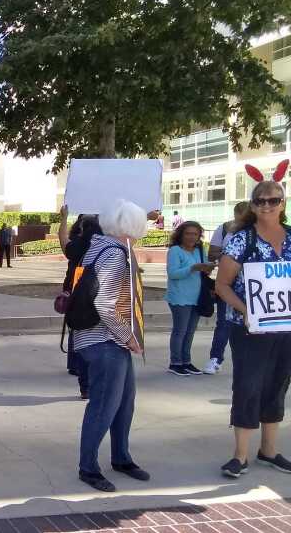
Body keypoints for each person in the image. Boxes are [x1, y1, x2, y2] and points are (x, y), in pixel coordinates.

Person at [215, 160, 291, 479]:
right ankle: (240, 455)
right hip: (249, 327)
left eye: (273, 200)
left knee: (277, 385)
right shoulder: (241, 239)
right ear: (253, 204)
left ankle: (269, 451)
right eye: (260, 200)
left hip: (285, 327)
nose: (266, 205)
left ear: (282, 203)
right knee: (247, 386)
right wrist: (249, 312)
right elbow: (222, 285)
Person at [74, 199, 150, 493]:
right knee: (104, 406)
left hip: (101, 340)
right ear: (133, 225)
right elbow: (105, 304)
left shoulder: (98, 248)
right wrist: (129, 337)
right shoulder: (116, 255)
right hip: (105, 340)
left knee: (124, 402)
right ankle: (88, 467)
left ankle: (121, 457)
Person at [58, 207, 102, 399]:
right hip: (98, 294)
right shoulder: (106, 247)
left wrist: (63, 219)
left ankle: (84, 384)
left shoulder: (77, 245)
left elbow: (63, 242)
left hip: (77, 295)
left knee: (78, 333)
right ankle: (91, 382)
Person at [204, 201, 248, 374]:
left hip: (252, 286)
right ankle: (216, 358)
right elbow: (212, 254)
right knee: (224, 322)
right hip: (228, 283)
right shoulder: (224, 229)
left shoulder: (258, 231)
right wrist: (230, 255)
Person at [165, 221, 214, 376]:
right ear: (181, 234)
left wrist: (208, 267)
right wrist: (193, 268)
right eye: (188, 233)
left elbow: (204, 271)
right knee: (180, 331)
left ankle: (186, 361)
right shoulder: (175, 251)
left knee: (190, 331)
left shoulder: (199, 250)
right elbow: (173, 274)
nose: (192, 237)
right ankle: (175, 362)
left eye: (195, 234)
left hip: (197, 296)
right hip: (180, 296)